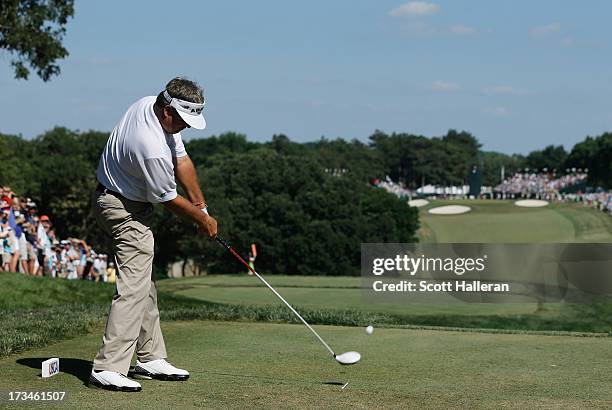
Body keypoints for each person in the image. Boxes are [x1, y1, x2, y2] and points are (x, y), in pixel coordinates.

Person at [89, 77, 218, 392]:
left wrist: (201, 206)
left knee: (143, 280)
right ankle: (108, 366)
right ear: (167, 112)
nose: (186, 127)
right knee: (134, 286)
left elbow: (183, 160)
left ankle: (149, 357)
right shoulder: (150, 145)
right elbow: (167, 199)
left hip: (126, 198)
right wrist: (202, 221)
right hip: (121, 206)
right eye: (183, 121)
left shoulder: (151, 103)